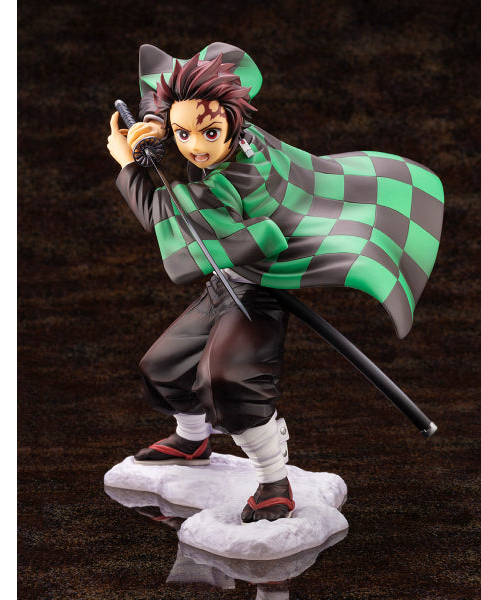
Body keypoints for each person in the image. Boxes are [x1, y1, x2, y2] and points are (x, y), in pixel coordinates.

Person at [106, 43, 444, 524]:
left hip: (260, 286)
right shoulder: (233, 130)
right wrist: (157, 124)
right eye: (184, 133)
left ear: (233, 124)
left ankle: (273, 482)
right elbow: (168, 101)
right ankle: (193, 439)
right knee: (163, 366)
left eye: (209, 133)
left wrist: (127, 163)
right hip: (226, 280)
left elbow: (164, 210)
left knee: (229, 381)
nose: (195, 146)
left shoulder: (238, 175)